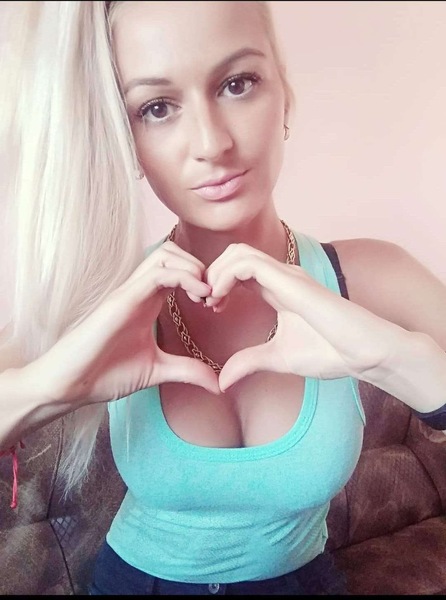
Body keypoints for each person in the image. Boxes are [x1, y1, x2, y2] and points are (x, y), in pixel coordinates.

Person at [1, 0, 446, 595]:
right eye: (157, 108)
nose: (211, 143)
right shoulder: (106, 295)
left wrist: (401, 362)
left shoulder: (370, 277)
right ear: (127, 141)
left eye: (237, 84)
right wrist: (50, 388)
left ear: (285, 96)